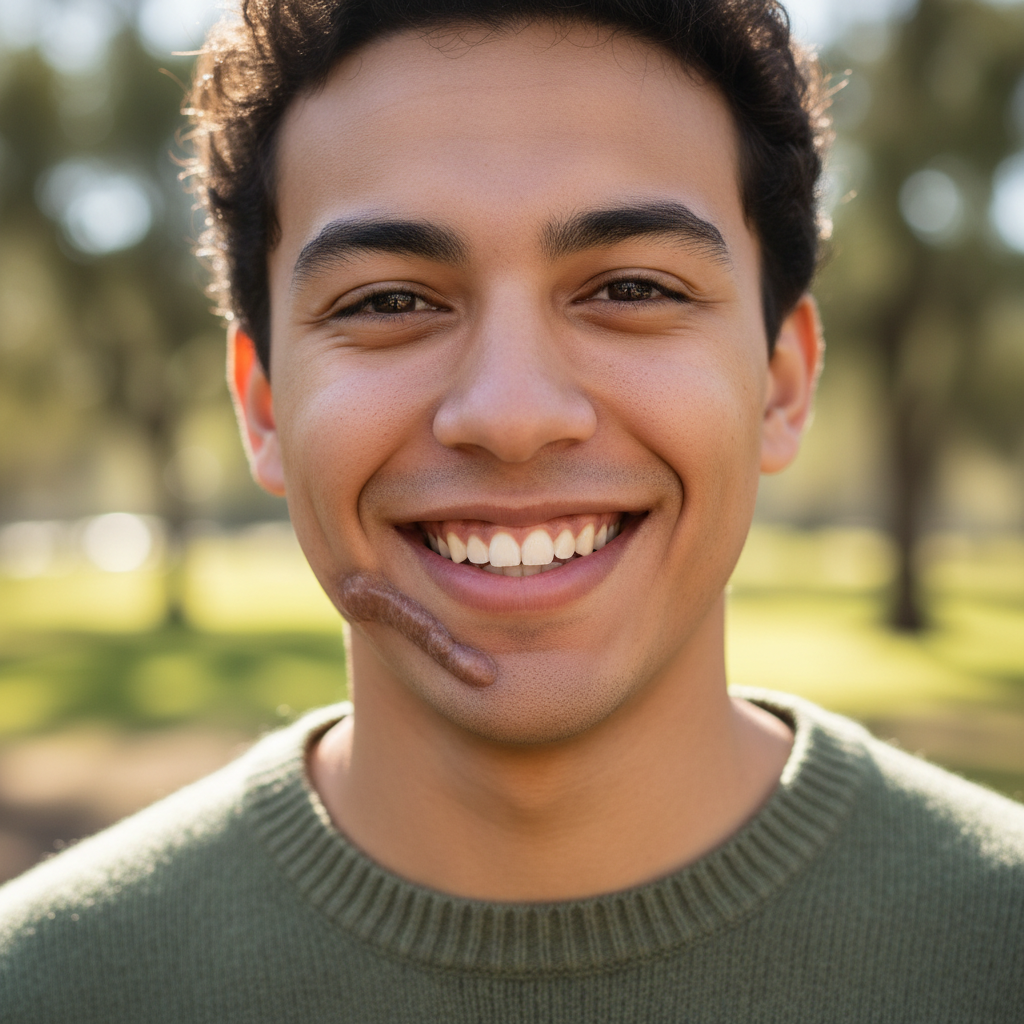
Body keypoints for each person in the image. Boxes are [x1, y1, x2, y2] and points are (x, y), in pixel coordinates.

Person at [2, 0, 1022, 1019]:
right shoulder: (45, 986)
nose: (511, 415)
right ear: (264, 406)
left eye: (629, 286)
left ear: (782, 384)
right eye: (389, 301)